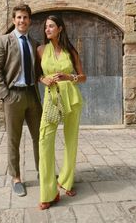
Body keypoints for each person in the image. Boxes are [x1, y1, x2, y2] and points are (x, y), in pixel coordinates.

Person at [0, 3, 42, 197]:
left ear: (30, 20)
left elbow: (38, 71)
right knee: (14, 139)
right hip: (13, 96)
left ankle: (42, 172)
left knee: (40, 137)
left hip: (33, 95)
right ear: (14, 20)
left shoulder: (34, 43)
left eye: (25, 17)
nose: (22, 21)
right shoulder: (3, 41)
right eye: (19, 17)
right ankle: (16, 178)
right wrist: (6, 95)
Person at [37, 15, 86, 210]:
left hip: (72, 99)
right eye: (46, 27)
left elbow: (83, 77)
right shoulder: (40, 50)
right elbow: (36, 74)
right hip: (51, 99)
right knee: (45, 141)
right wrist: (43, 79)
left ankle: (65, 181)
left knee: (71, 140)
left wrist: (69, 77)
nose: (47, 30)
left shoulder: (70, 50)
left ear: (60, 29)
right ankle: (48, 192)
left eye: (51, 26)